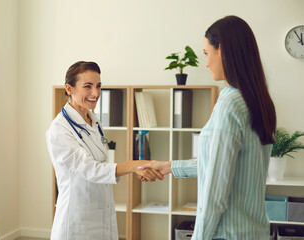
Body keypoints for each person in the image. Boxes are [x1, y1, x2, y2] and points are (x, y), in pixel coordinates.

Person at [140, 16, 276, 240]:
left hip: (227, 234)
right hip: (255, 232)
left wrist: (199, 237)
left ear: (221, 50)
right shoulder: (258, 100)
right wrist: (168, 166)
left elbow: (216, 191)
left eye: (206, 53)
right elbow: (222, 164)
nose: (206, 63)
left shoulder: (230, 103)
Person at [46, 61, 163, 240]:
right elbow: (91, 169)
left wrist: (136, 169)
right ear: (69, 89)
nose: (96, 93)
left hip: (101, 214)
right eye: (88, 86)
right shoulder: (59, 130)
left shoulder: (95, 121)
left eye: (98, 86)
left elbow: (102, 164)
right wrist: (133, 166)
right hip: (77, 222)